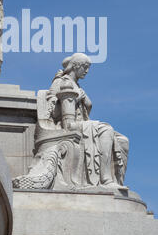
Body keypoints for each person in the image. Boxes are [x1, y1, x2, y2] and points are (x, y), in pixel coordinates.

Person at [46, 53, 129, 188]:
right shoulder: (60, 82)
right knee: (106, 129)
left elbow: (85, 112)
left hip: (81, 124)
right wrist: (76, 99)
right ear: (76, 66)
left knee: (122, 140)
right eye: (85, 67)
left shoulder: (77, 86)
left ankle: (117, 181)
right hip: (68, 125)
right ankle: (106, 179)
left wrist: (84, 100)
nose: (87, 71)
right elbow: (52, 112)